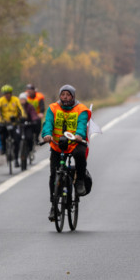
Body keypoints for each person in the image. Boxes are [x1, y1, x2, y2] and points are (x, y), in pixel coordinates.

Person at [41, 84, 90, 221]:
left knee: (80, 155)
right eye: (63, 95)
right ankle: (54, 205)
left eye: (68, 95)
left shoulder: (81, 109)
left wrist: (79, 135)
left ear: (73, 96)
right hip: (58, 145)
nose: (65, 97)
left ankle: (79, 180)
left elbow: (82, 124)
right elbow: (48, 123)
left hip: (75, 143)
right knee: (53, 174)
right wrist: (46, 135)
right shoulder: (53, 108)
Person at [0, 84, 25, 156]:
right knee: (2, 135)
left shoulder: (16, 99)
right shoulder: (1, 100)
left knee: (17, 139)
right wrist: (0, 120)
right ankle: (4, 149)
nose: (7, 95)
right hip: (5, 122)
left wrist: (23, 116)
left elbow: (21, 108)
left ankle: (16, 158)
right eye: (5, 94)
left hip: (14, 122)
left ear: (11, 93)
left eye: (8, 93)